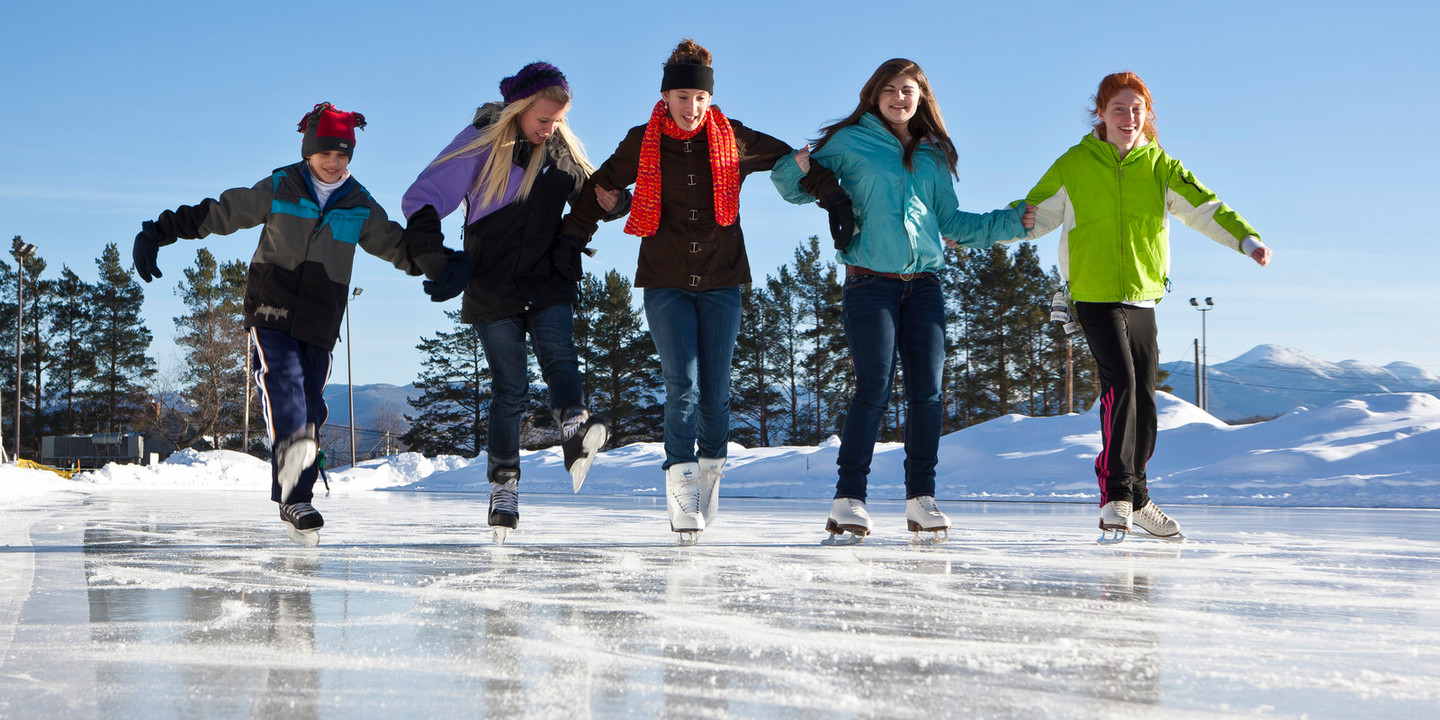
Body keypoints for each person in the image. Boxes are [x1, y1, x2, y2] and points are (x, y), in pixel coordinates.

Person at [559, 39, 844, 542]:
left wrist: (837, 204)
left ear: (710, 99)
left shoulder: (734, 137)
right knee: (682, 385)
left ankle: (710, 477)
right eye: (682, 97)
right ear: (665, 95)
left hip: (722, 279)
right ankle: (680, 487)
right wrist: (573, 240)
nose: (691, 108)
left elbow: (796, 164)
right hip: (665, 280)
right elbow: (598, 192)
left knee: (716, 391)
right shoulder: (640, 140)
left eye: (699, 98)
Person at [132, 102, 453, 545]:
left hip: (322, 316)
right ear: (307, 150)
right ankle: (291, 468)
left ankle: (296, 497)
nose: (333, 162)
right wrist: (159, 232)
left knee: (312, 403)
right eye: (325, 153)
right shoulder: (281, 187)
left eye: (343, 156)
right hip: (272, 306)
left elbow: (399, 249)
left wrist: (445, 266)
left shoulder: (359, 204)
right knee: (281, 378)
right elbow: (221, 213)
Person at [772, 58, 1034, 543]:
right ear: (874, 94)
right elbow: (793, 191)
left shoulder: (932, 154)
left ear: (921, 97)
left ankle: (921, 499)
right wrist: (796, 166)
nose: (899, 97)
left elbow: (954, 225)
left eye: (908, 89)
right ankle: (849, 498)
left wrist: (1012, 220)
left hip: (926, 285)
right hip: (870, 283)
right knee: (872, 388)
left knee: (928, 394)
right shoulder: (850, 143)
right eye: (889, 89)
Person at [1021, 71, 1271, 541]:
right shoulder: (1074, 163)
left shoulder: (1160, 166)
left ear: (1147, 116)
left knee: (1146, 400)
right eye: (1119, 108)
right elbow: (1034, 213)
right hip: (1092, 294)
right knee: (1121, 383)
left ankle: (1138, 496)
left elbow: (1205, 208)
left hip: (1141, 295)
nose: (1128, 117)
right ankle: (1116, 495)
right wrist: (986, 229)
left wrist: (1246, 239)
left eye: (1137, 109)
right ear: (1101, 113)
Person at [402, 62, 627, 543]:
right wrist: (431, 254)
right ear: (521, 109)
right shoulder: (484, 139)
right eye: (544, 120)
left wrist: (615, 202)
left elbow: (592, 195)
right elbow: (424, 195)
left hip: (549, 275)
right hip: (494, 282)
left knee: (559, 353)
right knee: (511, 391)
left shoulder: (561, 148)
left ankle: (573, 424)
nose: (551, 129)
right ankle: (504, 486)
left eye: (558, 120)